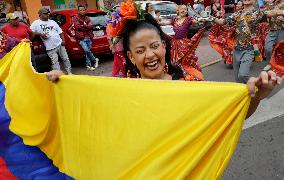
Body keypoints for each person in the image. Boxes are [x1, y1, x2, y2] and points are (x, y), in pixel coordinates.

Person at [45, 16, 283, 119]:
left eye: (154, 46)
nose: (149, 55)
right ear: (130, 56)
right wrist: (63, 84)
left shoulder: (192, 81)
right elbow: (87, 109)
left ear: (164, 47)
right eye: (140, 51)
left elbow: (231, 118)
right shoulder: (121, 90)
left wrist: (256, 97)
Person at [212, 0, 284, 83]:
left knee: (242, 75)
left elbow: (272, 12)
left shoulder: (257, 13)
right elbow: (223, 22)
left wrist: (281, 12)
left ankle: (255, 86)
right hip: (236, 49)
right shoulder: (237, 14)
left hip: (249, 49)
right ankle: (245, 93)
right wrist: (210, 18)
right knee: (237, 79)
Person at [165, 5, 205, 81]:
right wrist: (155, 21)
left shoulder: (188, 19)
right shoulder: (174, 19)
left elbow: (196, 22)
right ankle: (182, 75)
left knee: (187, 59)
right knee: (177, 61)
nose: (184, 11)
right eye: (182, 9)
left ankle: (192, 76)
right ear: (178, 11)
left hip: (184, 43)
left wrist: (203, 19)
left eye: (185, 9)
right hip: (175, 44)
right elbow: (164, 23)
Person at [30, 7, 72, 74]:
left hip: (59, 44)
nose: (47, 15)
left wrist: (63, 40)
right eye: (45, 14)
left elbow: (60, 32)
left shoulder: (52, 22)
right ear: (40, 15)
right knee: (55, 63)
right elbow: (30, 32)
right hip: (50, 48)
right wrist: (41, 34)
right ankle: (59, 76)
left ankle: (69, 73)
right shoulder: (36, 23)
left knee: (66, 59)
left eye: (48, 13)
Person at [73, 5, 99, 71]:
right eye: (80, 10)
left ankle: (88, 65)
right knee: (86, 50)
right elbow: (78, 27)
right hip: (81, 38)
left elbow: (91, 26)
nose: (82, 11)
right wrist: (86, 26)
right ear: (78, 11)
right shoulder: (75, 18)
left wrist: (84, 26)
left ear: (85, 10)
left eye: (83, 10)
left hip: (89, 37)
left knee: (88, 52)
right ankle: (94, 60)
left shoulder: (87, 18)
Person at [263, 0, 284, 71]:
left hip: (282, 30)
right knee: (267, 48)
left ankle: (278, 65)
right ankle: (270, 63)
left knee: (279, 49)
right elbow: (264, 13)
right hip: (272, 30)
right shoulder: (272, 4)